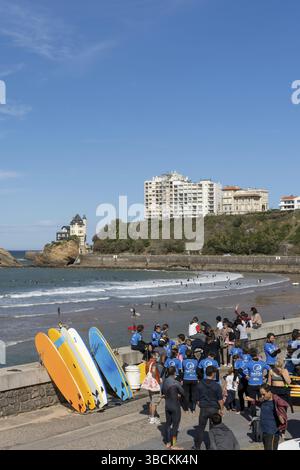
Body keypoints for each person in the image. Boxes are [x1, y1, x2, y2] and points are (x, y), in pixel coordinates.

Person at [249, 384, 289, 451]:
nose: (262, 396)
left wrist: (281, 417)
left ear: (269, 392)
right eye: (261, 394)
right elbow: (260, 404)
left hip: (272, 433)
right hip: (265, 431)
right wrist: (252, 400)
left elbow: (283, 420)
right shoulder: (264, 400)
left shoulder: (276, 402)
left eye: (263, 394)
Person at [194, 366, 224, 450]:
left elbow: (197, 400)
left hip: (204, 409)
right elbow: (220, 400)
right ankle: (212, 447)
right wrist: (221, 410)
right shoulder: (216, 385)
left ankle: (197, 447)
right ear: (213, 374)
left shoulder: (199, 384)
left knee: (201, 428)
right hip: (214, 409)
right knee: (213, 429)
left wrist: (202, 405)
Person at [162, 366, 186, 450]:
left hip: (167, 405)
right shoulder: (176, 382)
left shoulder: (164, 382)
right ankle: (174, 445)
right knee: (175, 426)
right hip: (175, 406)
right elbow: (183, 393)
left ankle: (168, 442)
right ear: (175, 373)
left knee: (168, 424)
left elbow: (163, 392)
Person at [244, 349, 270, 419]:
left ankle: (253, 417)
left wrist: (246, 376)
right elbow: (270, 369)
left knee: (252, 401)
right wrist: (266, 376)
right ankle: (263, 416)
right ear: (257, 355)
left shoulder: (248, 363)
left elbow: (242, 370)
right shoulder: (262, 363)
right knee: (262, 400)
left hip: (251, 384)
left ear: (250, 355)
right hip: (260, 385)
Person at [145, 352, 162, 425]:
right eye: (157, 355)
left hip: (149, 384)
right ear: (154, 356)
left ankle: (151, 416)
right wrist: (158, 380)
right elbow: (154, 372)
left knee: (151, 400)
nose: (158, 357)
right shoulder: (154, 363)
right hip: (154, 385)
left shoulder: (148, 363)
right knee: (154, 402)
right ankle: (152, 418)